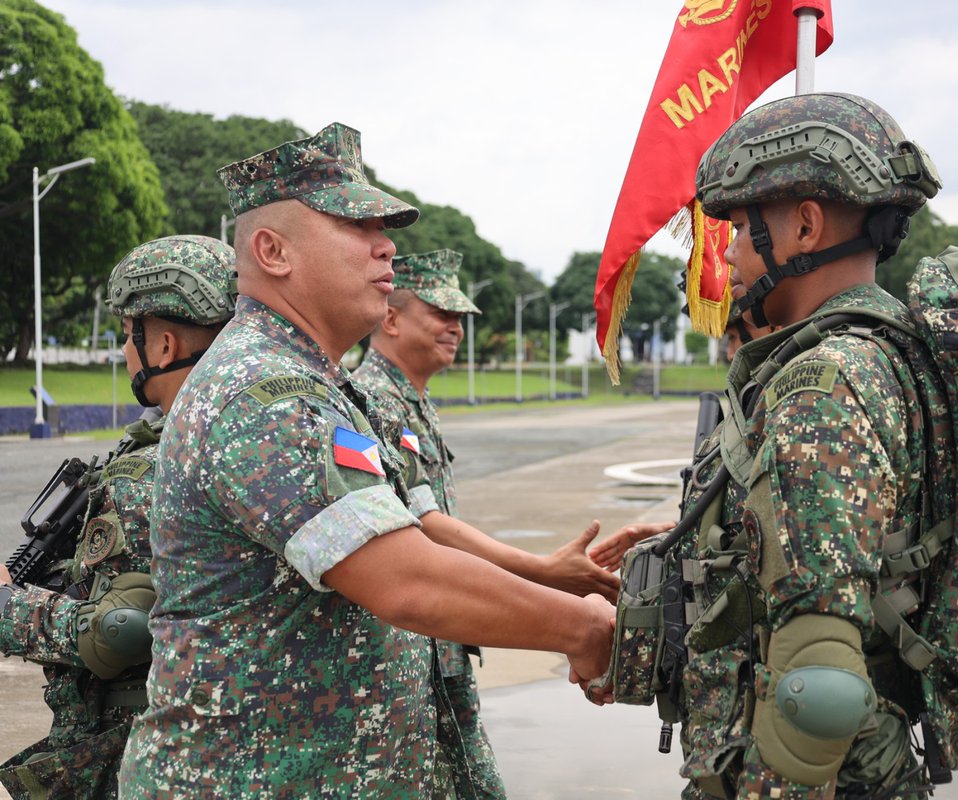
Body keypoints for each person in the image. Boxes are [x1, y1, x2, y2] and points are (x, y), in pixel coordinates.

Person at [118, 122, 618, 798]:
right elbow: (405, 580)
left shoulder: (309, 380)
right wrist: (583, 627)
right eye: (355, 225)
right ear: (272, 250)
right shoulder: (261, 393)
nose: (385, 246)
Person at [597, 93, 944, 799]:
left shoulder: (823, 383)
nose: (724, 257)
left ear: (805, 227)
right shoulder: (887, 355)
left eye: (736, 231)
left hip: (799, 778)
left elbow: (819, 686)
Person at [0, 235, 237, 799]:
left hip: (140, 750)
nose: (123, 353)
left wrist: (9, 603)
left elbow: (121, 632)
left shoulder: (151, 469)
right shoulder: (242, 440)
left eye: (127, 335)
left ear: (163, 345)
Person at [350, 248, 499, 798]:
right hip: (409, 651)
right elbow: (427, 524)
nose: (455, 328)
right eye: (440, 313)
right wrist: (543, 577)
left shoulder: (414, 400)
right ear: (391, 318)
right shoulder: (375, 400)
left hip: (439, 644)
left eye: (459, 318)